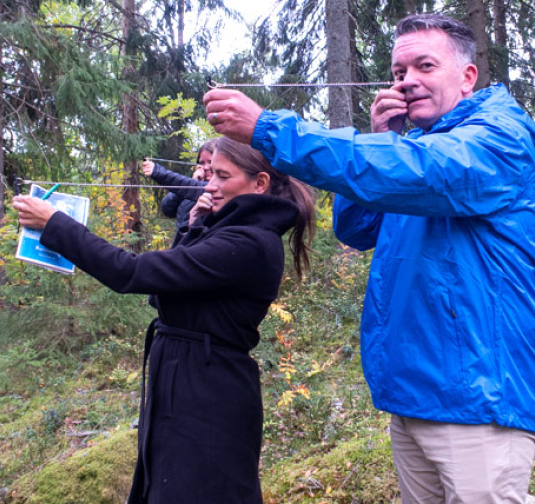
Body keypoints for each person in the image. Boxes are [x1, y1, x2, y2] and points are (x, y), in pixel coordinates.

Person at [204, 13, 535, 504]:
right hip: (415, 393)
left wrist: (272, 131)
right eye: (399, 72)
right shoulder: (414, 145)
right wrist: (385, 135)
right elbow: (358, 229)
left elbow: (422, 173)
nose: (408, 81)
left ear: (467, 77)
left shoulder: (499, 138)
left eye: (425, 65)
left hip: (479, 398)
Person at [13, 136, 315, 504]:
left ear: (260, 183)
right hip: (184, 380)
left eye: (223, 176)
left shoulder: (250, 243)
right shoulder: (229, 231)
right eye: (209, 174)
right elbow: (164, 295)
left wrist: (56, 224)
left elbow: (132, 273)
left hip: (209, 394)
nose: (211, 185)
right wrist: (192, 225)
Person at [141, 140, 214, 229]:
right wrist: (194, 180)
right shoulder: (191, 187)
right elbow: (167, 208)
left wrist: (159, 172)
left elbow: (200, 189)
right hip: (184, 241)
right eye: (202, 163)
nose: (206, 167)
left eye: (210, 162)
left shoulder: (219, 189)